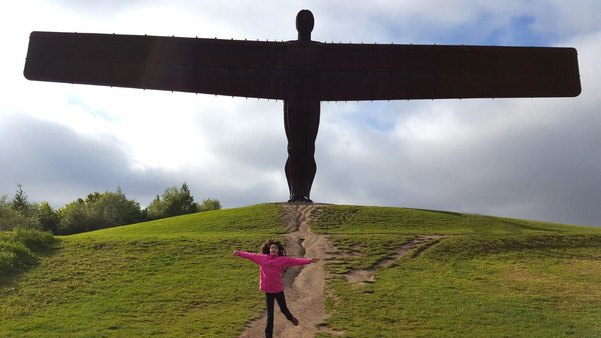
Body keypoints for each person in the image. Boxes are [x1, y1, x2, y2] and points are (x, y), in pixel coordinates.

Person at [233, 240, 320, 338]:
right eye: (272, 248)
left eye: (275, 248)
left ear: (278, 250)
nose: (273, 249)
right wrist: (239, 253)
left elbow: (295, 261)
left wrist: (309, 260)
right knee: (270, 315)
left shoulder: (281, 260)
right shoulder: (262, 258)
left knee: (283, 309)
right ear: (269, 250)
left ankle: (290, 318)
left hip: (278, 289)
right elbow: (251, 255)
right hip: (268, 291)